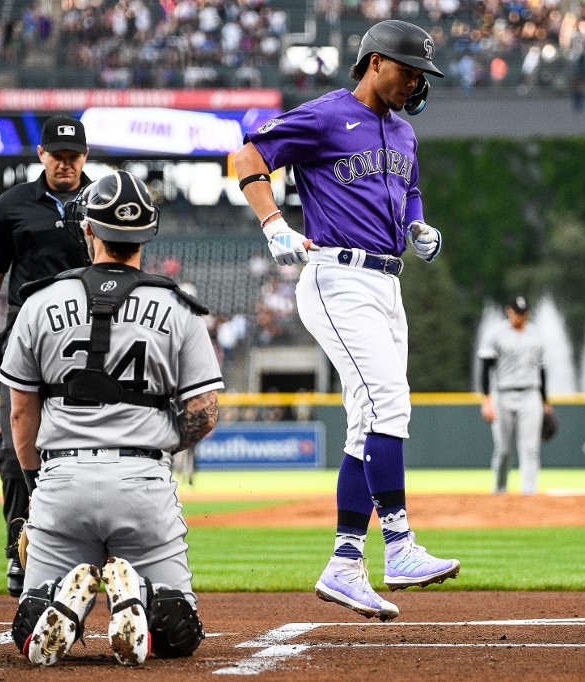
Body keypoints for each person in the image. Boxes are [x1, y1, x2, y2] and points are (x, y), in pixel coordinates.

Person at [233, 19, 460, 623]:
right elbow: (249, 154)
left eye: (421, 74)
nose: (417, 82)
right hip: (339, 277)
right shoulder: (328, 115)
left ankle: (344, 563)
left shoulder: (405, 132)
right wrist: (272, 222)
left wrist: (417, 225)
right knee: (389, 404)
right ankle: (402, 546)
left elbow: (407, 189)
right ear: (376, 61)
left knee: (367, 424)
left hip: (387, 282)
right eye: (410, 70)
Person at [0, 170, 221, 667]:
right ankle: (138, 595)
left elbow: (19, 414)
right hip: (142, 479)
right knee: (179, 632)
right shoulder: (178, 307)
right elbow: (204, 415)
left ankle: (61, 604)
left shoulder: (38, 302)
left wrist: (38, 488)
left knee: (28, 629)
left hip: (61, 480)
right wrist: (156, 439)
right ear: (147, 233)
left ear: (87, 231)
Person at [0, 115, 94, 598]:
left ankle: (90, 553)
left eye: (73, 156)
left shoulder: (105, 201)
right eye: (57, 155)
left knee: (90, 450)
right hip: (25, 342)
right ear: (41, 155)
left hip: (88, 344)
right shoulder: (10, 206)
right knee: (14, 452)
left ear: (85, 157)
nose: (65, 164)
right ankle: (19, 549)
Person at [478, 295, 553, 495]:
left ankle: (529, 492)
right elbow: (485, 368)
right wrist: (487, 400)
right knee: (503, 449)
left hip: (531, 394)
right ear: (508, 311)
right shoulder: (496, 334)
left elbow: (542, 370)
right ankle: (500, 489)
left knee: (530, 448)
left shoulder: (536, 335)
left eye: (524, 313)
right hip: (503, 394)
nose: (520, 317)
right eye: (517, 312)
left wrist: (545, 401)